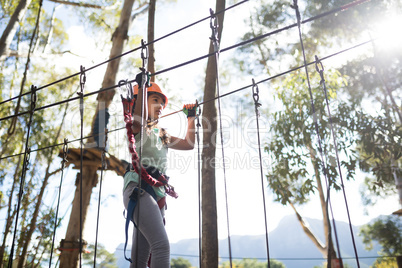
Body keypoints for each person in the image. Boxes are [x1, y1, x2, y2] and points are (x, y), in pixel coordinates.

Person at [122, 81, 196, 268]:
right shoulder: (137, 126)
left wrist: (191, 118)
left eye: (162, 103)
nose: (161, 107)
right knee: (161, 246)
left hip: (158, 192)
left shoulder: (162, 133)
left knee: (139, 259)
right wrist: (142, 85)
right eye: (156, 100)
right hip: (139, 188)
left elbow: (189, 144)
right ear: (141, 101)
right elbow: (138, 115)